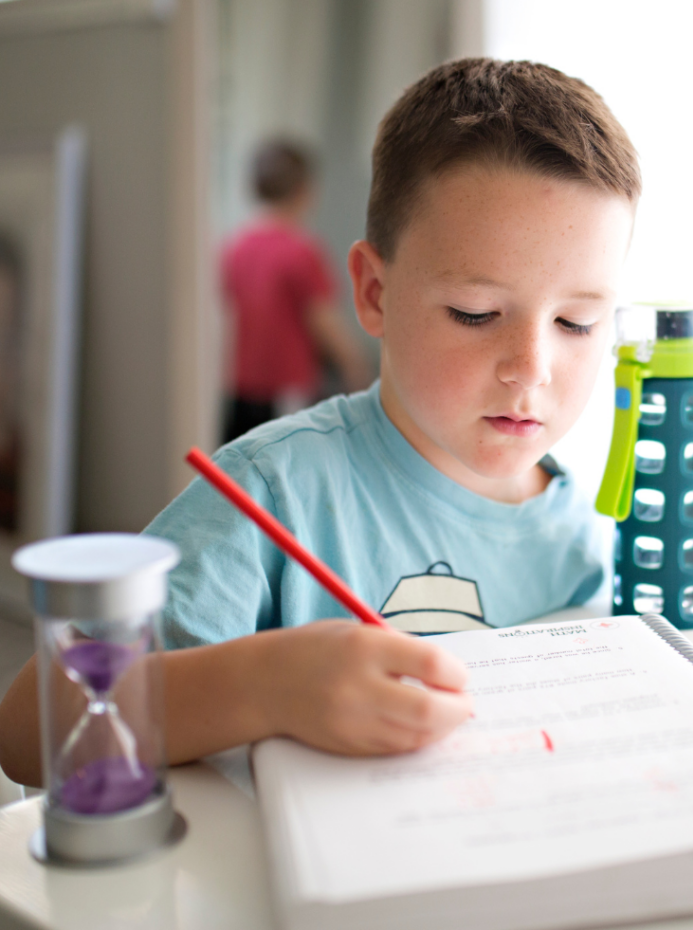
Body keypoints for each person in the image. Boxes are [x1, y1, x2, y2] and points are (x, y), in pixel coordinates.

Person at [0, 58, 641, 786]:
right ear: (373, 291)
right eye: (476, 313)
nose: (532, 366)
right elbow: (29, 731)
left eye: (578, 322)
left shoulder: (580, 530)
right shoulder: (276, 490)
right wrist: (264, 686)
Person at [222, 138, 371, 442]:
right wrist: (358, 370)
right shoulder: (300, 251)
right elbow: (324, 322)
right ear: (305, 190)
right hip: (286, 389)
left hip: (238, 388)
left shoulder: (235, 247)